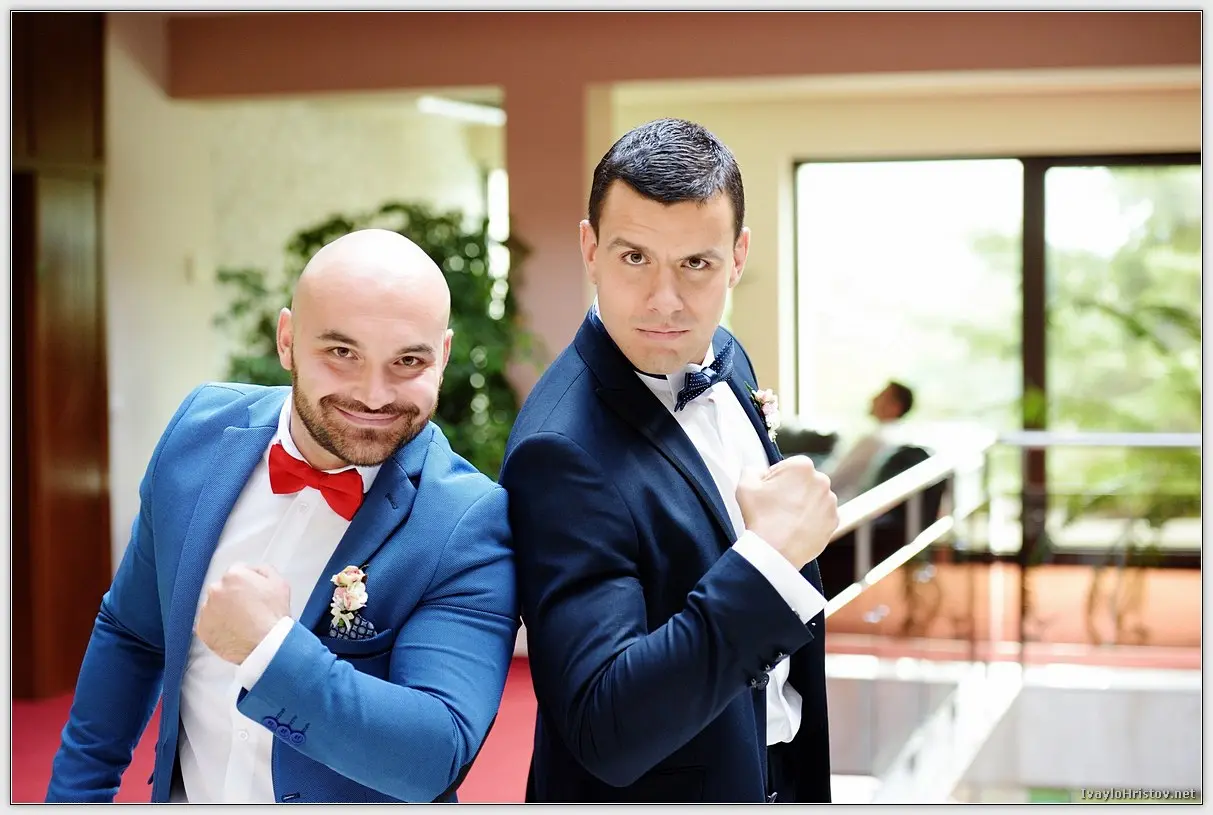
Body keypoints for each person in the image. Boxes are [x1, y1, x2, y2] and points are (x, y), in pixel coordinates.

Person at [46, 229, 518, 804]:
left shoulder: (467, 521)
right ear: (288, 340)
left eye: (408, 361)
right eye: (341, 353)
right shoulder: (198, 432)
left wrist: (270, 650)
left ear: (442, 356)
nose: (374, 395)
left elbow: (434, 756)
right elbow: (133, 633)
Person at [499, 118, 839, 803]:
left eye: (696, 264)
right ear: (590, 249)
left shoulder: (726, 355)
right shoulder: (558, 453)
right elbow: (605, 725)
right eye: (634, 258)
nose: (665, 301)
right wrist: (769, 564)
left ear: (737, 257)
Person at [821, 380, 915, 503]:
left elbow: (833, 479)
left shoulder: (874, 439)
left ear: (895, 407)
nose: (873, 399)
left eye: (881, 395)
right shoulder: (897, 436)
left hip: (843, 502)